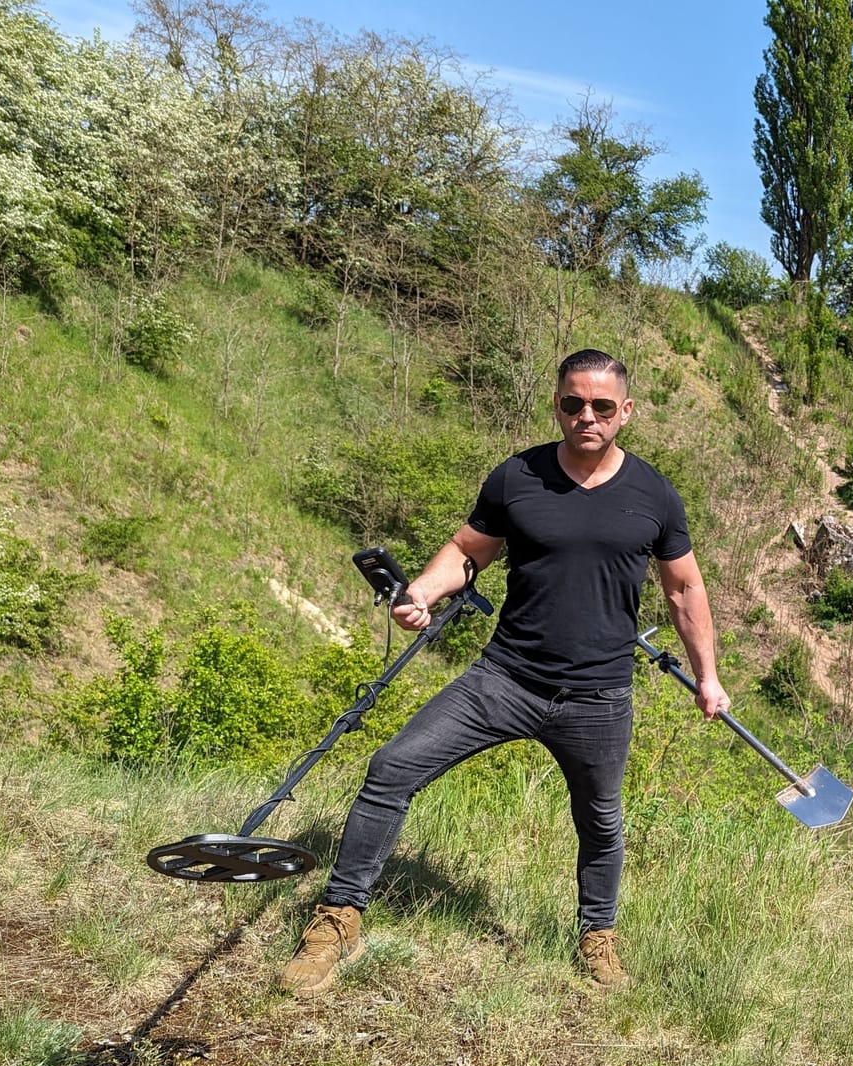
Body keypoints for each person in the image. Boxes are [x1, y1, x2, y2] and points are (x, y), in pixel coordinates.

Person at [277, 348, 729, 997]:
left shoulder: (654, 494)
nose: (586, 416)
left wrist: (707, 676)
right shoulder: (518, 476)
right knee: (391, 770)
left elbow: (685, 591)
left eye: (602, 406)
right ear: (557, 405)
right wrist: (424, 595)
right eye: (573, 403)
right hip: (505, 679)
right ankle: (337, 922)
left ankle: (597, 939)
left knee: (600, 821)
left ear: (625, 412)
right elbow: (467, 552)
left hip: (598, 696)